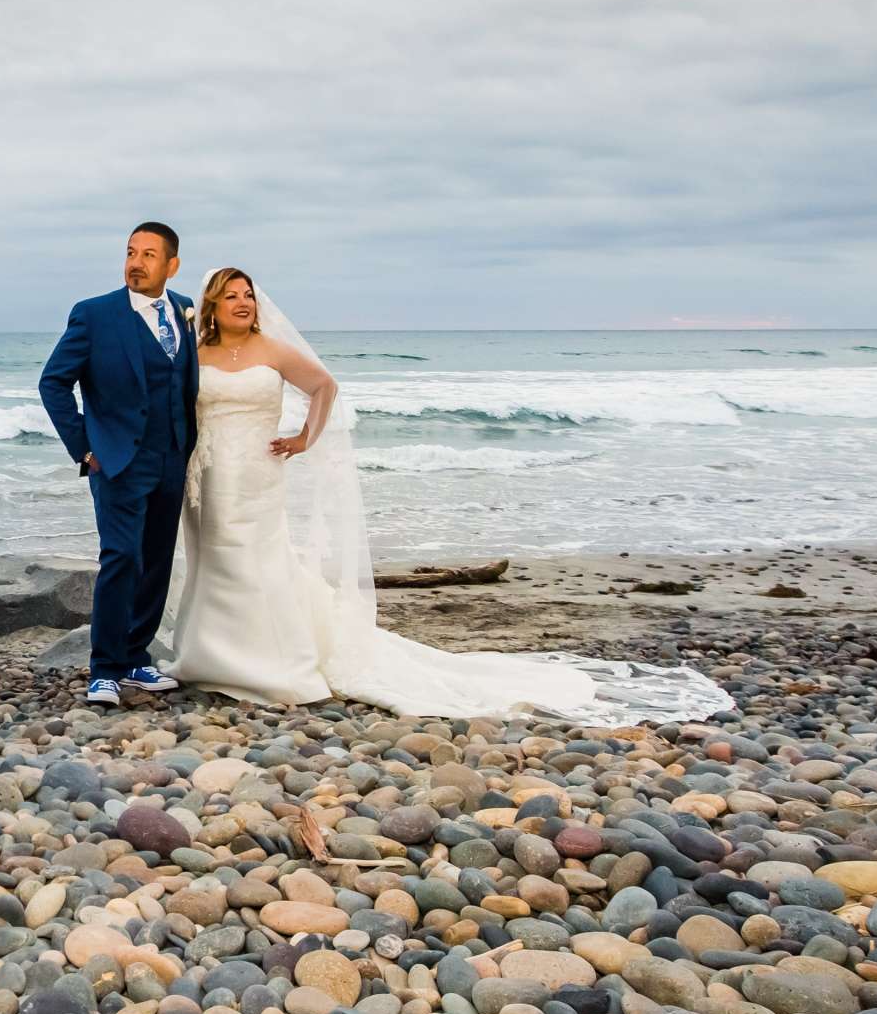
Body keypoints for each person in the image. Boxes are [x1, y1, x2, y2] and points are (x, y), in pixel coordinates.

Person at [154, 266, 733, 725]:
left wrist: (305, 437)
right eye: (230, 296)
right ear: (211, 305)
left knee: (259, 561)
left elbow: (325, 385)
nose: (242, 303)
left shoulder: (272, 351)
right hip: (206, 477)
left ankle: (274, 664)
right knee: (216, 561)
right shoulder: (196, 356)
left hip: (258, 473)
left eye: (248, 294)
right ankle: (211, 658)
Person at [38, 222, 200, 707]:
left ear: (171, 265)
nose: (136, 262)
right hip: (117, 459)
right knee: (121, 557)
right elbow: (54, 383)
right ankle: (104, 667)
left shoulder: (183, 310)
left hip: (172, 456)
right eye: (131, 252)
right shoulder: (94, 315)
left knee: (155, 561)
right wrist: (85, 448)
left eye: (149, 254)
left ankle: (136, 658)